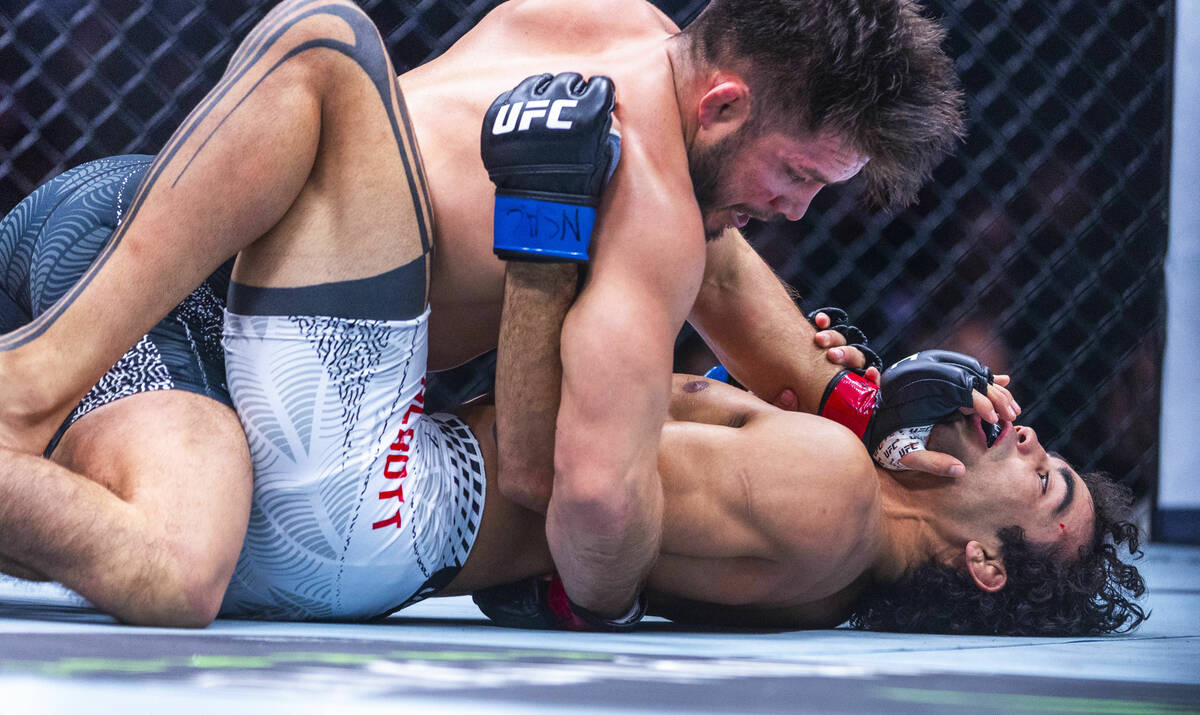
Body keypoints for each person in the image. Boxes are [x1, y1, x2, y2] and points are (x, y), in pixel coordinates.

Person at [0, 0, 980, 625]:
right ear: (723, 106)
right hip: (174, 296)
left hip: (132, 250)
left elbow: (725, 272)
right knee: (331, 46)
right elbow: (569, 487)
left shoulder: (609, 33)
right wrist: (602, 594)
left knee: (178, 566)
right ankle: (32, 385)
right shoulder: (655, 213)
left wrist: (856, 402)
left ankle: (35, 410)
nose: (801, 210)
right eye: (801, 173)